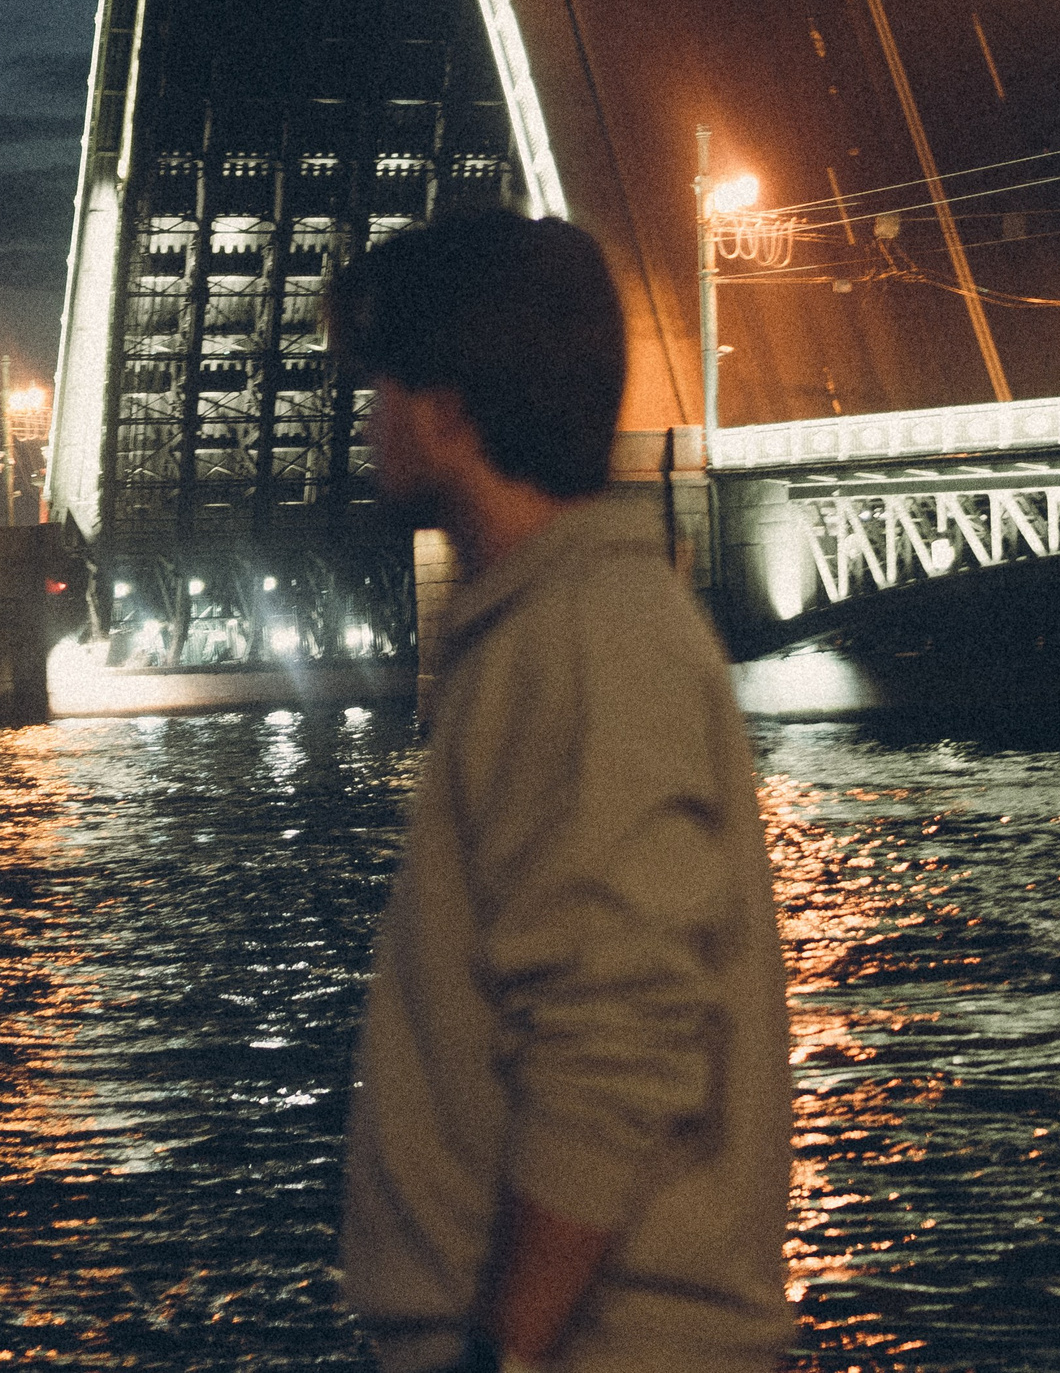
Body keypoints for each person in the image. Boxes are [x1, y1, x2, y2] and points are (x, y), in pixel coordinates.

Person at [332, 207, 793, 1373]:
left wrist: (505, 1351)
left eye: (385, 381)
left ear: (450, 407)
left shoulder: (587, 644)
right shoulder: (555, 628)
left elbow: (614, 1041)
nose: (368, 415)